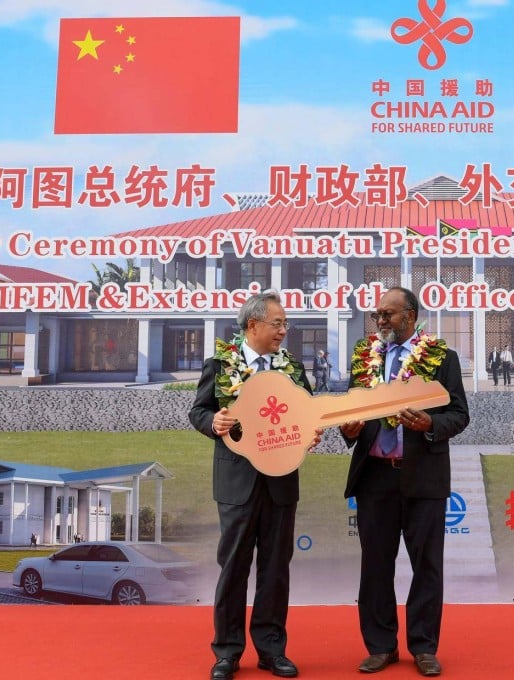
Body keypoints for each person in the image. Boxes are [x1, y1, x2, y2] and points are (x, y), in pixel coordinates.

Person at [340, 287, 470, 678]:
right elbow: (351, 418)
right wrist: (348, 429)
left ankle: (424, 647)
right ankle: (380, 647)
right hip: (375, 477)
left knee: (426, 566)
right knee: (375, 566)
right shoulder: (365, 357)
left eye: (388, 314)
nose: (380, 321)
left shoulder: (442, 358)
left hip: (423, 476)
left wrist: (432, 424)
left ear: (410, 317)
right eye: (377, 314)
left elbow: (459, 415)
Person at [189, 291, 316, 680]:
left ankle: (272, 650)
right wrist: (214, 423)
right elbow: (199, 410)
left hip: (280, 481)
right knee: (234, 568)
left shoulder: (291, 367)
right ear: (253, 325)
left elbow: (305, 411)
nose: (283, 330)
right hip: (237, 482)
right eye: (277, 323)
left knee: (276, 567)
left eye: (285, 323)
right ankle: (227, 652)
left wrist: (309, 432)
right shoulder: (221, 364)